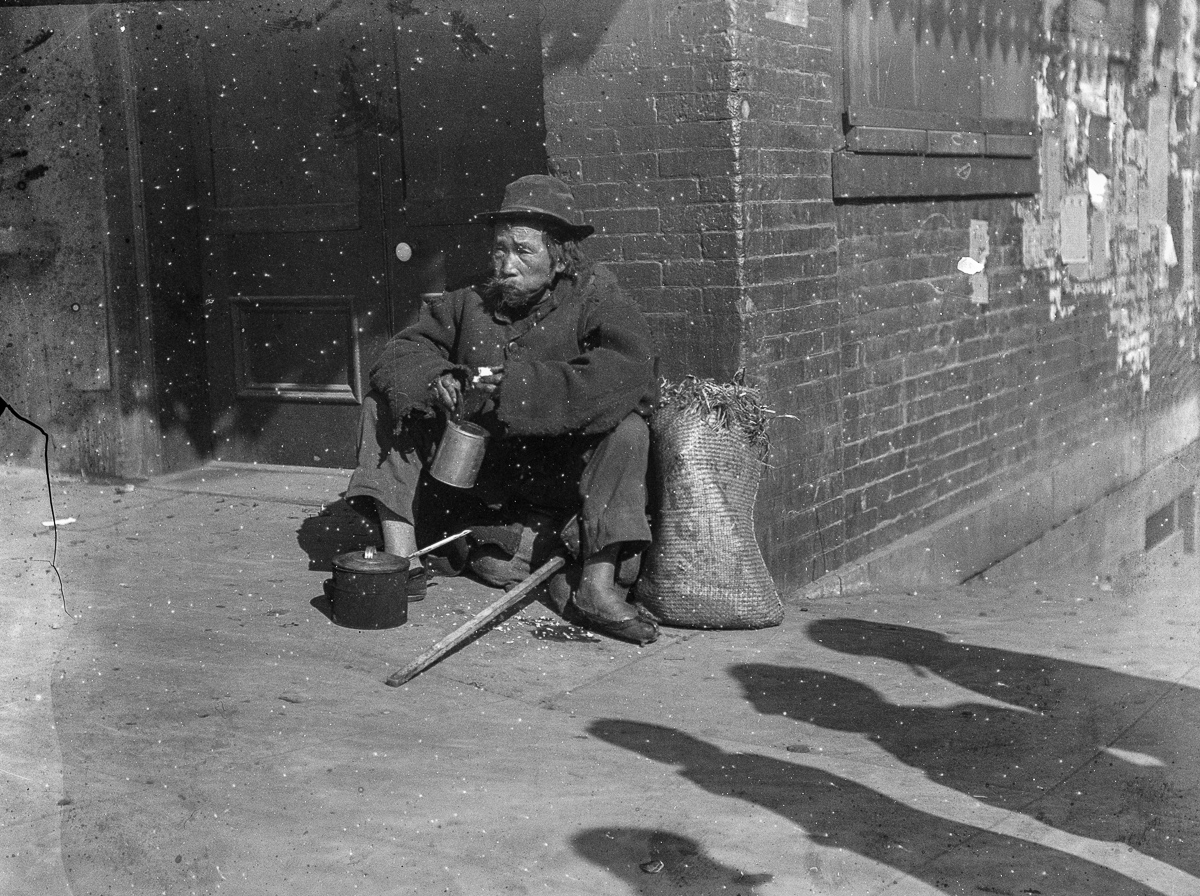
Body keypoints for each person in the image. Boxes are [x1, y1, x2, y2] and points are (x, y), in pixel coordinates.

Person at [346, 174, 659, 645]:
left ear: (559, 256)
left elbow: (629, 371)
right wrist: (436, 377)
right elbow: (399, 354)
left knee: (629, 429)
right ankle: (402, 561)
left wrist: (519, 389)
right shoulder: (471, 300)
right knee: (385, 402)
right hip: (485, 475)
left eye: (523, 252)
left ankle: (595, 584)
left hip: (560, 472)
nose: (505, 265)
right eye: (499, 249)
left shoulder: (596, 297)